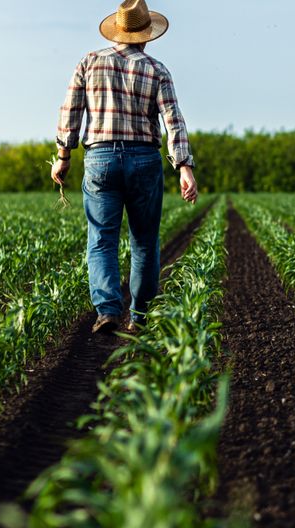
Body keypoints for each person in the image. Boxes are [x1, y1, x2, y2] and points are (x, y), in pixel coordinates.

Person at [51, 0, 199, 334]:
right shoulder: (157, 70)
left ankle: (107, 311)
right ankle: (141, 316)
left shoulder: (88, 62)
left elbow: (70, 112)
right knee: (144, 240)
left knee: (102, 238)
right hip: (144, 158)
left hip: (100, 159)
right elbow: (174, 120)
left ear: (118, 31)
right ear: (146, 35)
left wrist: (63, 156)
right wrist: (184, 166)